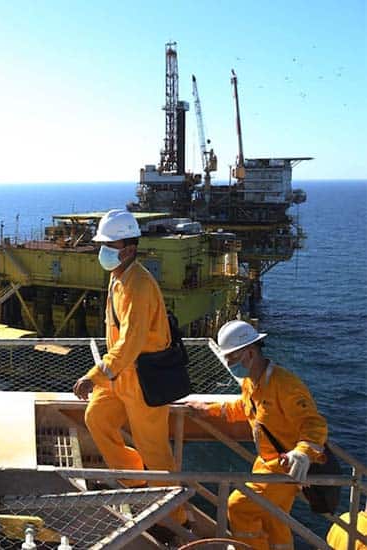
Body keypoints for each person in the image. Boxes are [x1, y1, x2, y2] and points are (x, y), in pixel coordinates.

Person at [72, 209, 187, 528]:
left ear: (130, 248)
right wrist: (107, 374)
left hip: (143, 378)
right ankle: (134, 480)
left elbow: (131, 342)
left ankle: (174, 521)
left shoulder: (138, 285)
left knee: (156, 453)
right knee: (96, 416)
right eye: (103, 243)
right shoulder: (118, 277)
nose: (103, 250)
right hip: (121, 373)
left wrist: (94, 375)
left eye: (110, 243)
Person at [187, 320, 328, 550]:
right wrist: (207, 409)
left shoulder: (285, 385)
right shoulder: (252, 383)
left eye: (231, 359)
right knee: (275, 520)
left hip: (284, 466)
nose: (229, 364)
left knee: (238, 505)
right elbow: (243, 407)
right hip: (264, 463)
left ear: (249, 354)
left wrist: (303, 453)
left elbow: (313, 424)